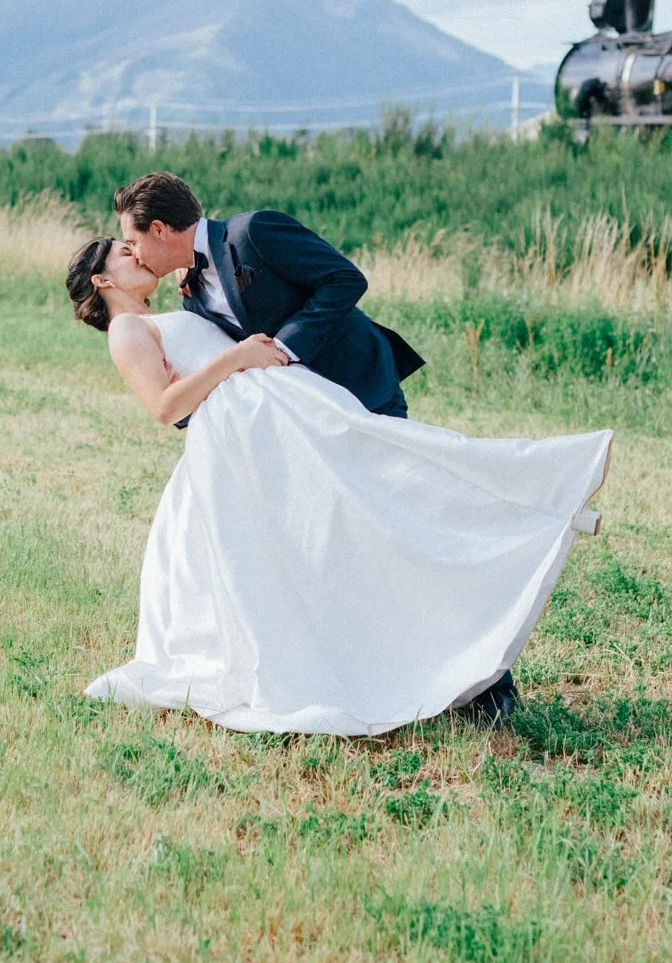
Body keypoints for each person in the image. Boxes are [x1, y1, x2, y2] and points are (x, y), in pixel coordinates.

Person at [65, 224, 612, 739]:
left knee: (405, 486)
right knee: (356, 533)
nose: (135, 251)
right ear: (103, 280)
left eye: (134, 239)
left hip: (295, 418)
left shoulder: (184, 298)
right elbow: (165, 407)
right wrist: (235, 358)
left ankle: (531, 503)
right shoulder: (126, 330)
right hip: (259, 445)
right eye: (123, 250)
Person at [112, 168, 420, 421]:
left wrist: (284, 348)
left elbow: (345, 279)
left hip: (361, 384)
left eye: (133, 242)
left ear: (159, 230)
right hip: (305, 412)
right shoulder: (193, 293)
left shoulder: (252, 232)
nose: (136, 256)